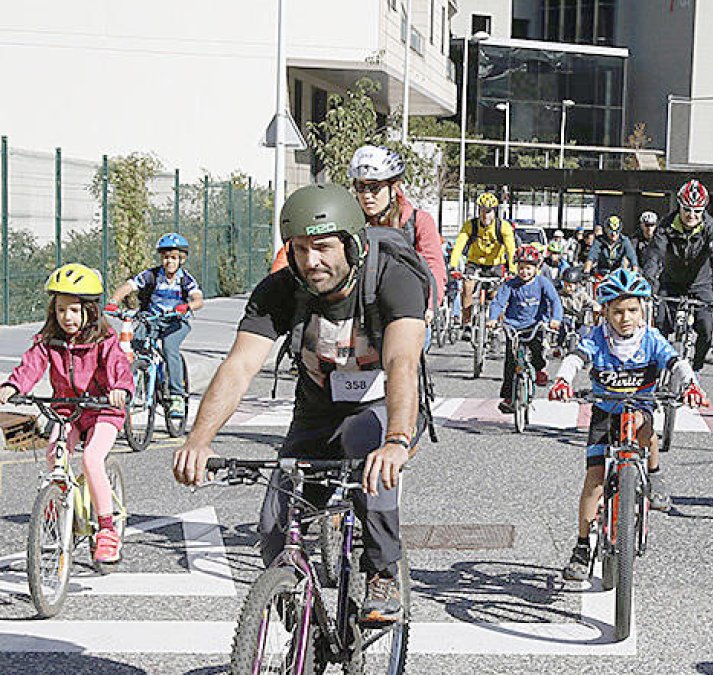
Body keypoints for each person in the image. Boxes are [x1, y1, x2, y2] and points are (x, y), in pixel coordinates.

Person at [171, 185, 428, 623]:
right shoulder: (280, 288)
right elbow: (239, 366)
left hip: (383, 405)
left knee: (370, 462)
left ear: (352, 242)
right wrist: (199, 440)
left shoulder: (392, 277)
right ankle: (297, 619)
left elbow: (403, 361)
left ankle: (382, 571)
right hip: (317, 407)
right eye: (301, 249)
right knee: (275, 521)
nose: (311, 262)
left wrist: (397, 440)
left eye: (324, 247)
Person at [549, 268, 708, 580]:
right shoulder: (597, 338)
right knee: (594, 478)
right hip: (605, 412)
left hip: (639, 408)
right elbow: (576, 358)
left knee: (646, 429)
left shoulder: (651, 339)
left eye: (633, 310)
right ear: (605, 311)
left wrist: (691, 385)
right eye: (617, 311)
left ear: (643, 310)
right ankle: (582, 546)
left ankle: (654, 475)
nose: (625, 318)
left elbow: (676, 362)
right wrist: (563, 380)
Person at [1, 264, 133, 564]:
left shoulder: (105, 339)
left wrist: (120, 390)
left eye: (74, 310)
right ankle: (57, 508)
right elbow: (31, 365)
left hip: (104, 410)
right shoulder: (50, 339)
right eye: (61, 310)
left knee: (90, 459)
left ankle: (107, 530)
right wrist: (12, 385)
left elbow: (118, 367)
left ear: (89, 310)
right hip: (68, 410)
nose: (67, 317)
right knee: (53, 455)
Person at [107, 232, 204, 419]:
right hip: (151, 319)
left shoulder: (186, 280)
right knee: (138, 345)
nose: (170, 262)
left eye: (174, 258)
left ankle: (176, 395)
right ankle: (142, 377)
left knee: (169, 348)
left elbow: (198, 299)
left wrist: (187, 306)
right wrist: (113, 301)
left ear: (181, 259)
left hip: (176, 322)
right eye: (166, 257)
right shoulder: (151, 275)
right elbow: (128, 287)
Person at [642, 179, 713, 372]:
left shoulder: (711, 228)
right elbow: (654, 255)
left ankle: (696, 367)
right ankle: (660, 366)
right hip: (671, 281)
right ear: (679, 206)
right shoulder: (666, 225)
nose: (691, 215)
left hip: (702, 284)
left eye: (697, 211)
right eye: (687, 209)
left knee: (706, 329)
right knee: (660, 325)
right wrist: (648, 283)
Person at [348, 145, 447, 311]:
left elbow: (434, 267)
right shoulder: (351, 222)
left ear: (393, 187)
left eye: (374, 188)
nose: (366, 195)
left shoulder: (418, 221)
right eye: (360, 187)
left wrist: (429, 306)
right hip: (362, 310)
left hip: (408, 310)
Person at [488, 244, 563, 413]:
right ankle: (508, 397)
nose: (524, 272)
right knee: (510, 362)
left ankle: (539, 368)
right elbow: (499, 301)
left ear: (537, 268)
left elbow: (555, 301)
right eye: (521, 268)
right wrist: (493, 318)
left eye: (529, 268)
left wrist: (555, 319)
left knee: (537, 350)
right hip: (513, 327)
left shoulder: (543, 283)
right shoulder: (510, 285)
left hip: (535, 325)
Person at [449, 192, 518, 338]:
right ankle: (466, 323)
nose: (485, 215)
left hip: (496, 264)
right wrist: (453, 265)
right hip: (475, 262)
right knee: (467, 286)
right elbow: (459, 245)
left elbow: (511, 249)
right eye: (482, 210)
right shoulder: (471, 225)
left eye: (489, 211)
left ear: (495, 211)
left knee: (497, 295)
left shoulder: (503, 227)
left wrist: (512, 269)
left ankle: (495, 327)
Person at [558, 266, 599, 344]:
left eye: (570, 286)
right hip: (565, 320)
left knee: (585, 333)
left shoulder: (581, 295)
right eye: (565, 285)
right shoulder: (560, 295)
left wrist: (596, 306)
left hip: (579, 321)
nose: (567, 288)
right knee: (561, 332)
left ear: (577, 285)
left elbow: (590, 302)